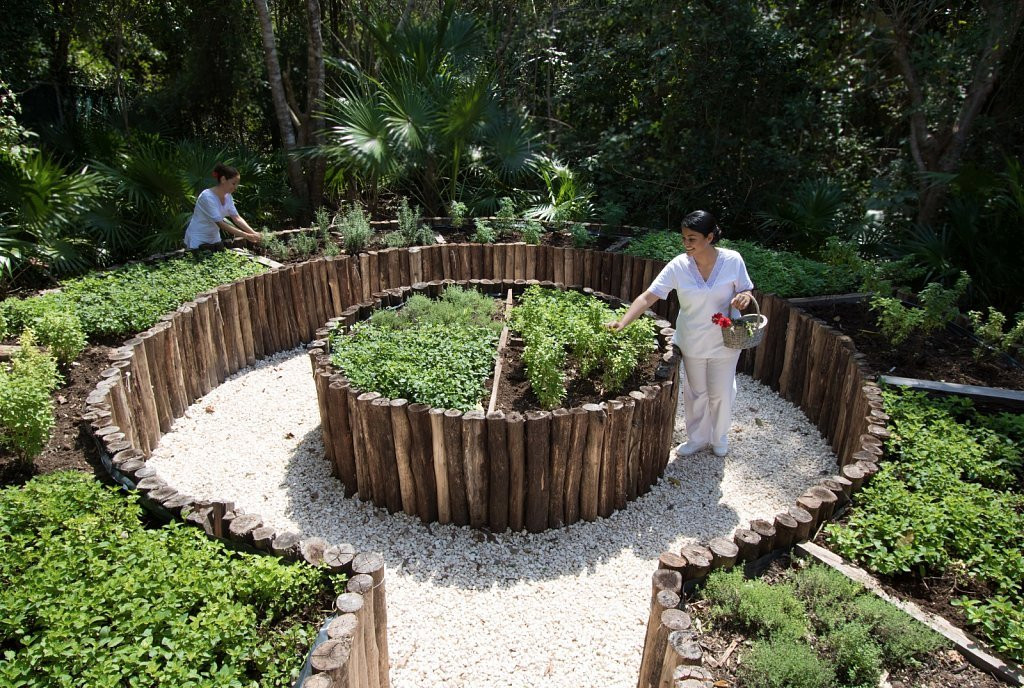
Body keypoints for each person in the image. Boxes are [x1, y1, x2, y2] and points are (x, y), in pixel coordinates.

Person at [607, 210, 754, 457]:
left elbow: (747, 291)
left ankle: (719, 437)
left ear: (709, 237)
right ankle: (697, 438)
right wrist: (624, 322)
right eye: (684, 238)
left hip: (725, 340)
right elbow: (648, 296)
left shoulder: (732, 260)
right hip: (692, 340)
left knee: (720, 391)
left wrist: (744, 298)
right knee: (696, 391)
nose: (686, 244)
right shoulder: (678, 265)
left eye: (692, 238)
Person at [184, 163, 262, 250]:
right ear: (223, 179)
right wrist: (246, 235)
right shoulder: (207, 197)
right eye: (233, 183)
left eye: (237, 184)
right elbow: (220, 224)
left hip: (214, 238)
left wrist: (254, 233)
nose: (236, 187)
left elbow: (236, 218)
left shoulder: (228, 196)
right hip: (198, 239)